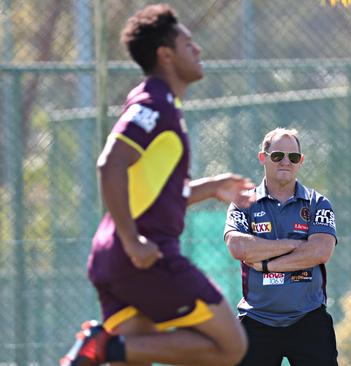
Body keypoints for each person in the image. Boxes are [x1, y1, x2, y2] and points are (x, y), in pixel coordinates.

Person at [59, 4, 254, 366]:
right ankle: (104, 345)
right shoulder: (154, 102)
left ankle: (101, 349)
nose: (198, 50)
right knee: (231, 346)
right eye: (188, 44)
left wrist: (211, 188)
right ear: (166, 55)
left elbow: (159, 192)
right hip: (143, 255)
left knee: (136, 359)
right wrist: (133, 240)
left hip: (114, 255)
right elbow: (110, 163)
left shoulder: (162, 105)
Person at [223, 128, 339, 366]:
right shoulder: (243, 203)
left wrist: (266, 264)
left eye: (293, 157)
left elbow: (320, 251)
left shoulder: (318, 203)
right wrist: (294, 244)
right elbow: (238, 247)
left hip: (309, 319)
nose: (286, 162)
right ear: (263, 158)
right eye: (277, 156)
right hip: (256, 319)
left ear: (301, 161)